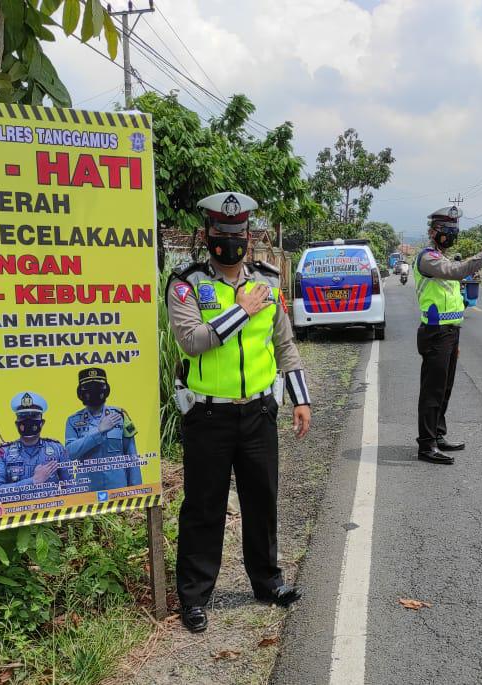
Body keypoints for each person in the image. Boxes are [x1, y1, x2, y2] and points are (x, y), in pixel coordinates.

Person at [166, 190, 312, 633]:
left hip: (258, 414)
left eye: (238, 233)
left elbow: (284, 344)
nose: (230, 240)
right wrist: (241, 311)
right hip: (208, 417)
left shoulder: (267, 281)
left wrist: (301, 397)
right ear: (207, 234)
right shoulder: (186, 282)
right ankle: (194, 597)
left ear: (249, 237)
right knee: (203, 509)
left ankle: (268, 583)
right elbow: (191, 340)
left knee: (262, 500)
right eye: (221, 232)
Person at [412, 207, 482, 465]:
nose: (452, 236)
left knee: (445, 389)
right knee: (432, 391)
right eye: (448, 232)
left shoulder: (441, 257)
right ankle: (426, 445)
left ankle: (438, 435)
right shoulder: (428, 259)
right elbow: (457, 271)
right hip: (435, 333)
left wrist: (455, 339)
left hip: (449, 333)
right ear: (435, 233)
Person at [0, 391, 73, 505]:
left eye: (33, 416)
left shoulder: (57, 449)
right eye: (23, 417)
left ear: (42, 423)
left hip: (50, 516)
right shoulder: (3, 453)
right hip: (16, 518)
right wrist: (33, 481)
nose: (28, 421)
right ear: (16, 423)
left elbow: (71, 488)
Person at [65, 367, 142, 492]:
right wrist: (98, 432)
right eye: (89, 388)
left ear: (106, 390)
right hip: (87, 492)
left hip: (117, 490)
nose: (94, 392)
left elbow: (131, 456)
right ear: (80, 392)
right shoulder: (73, 421)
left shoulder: (120, 416)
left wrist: (136, 489)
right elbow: (69, 454)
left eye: (98, 387)